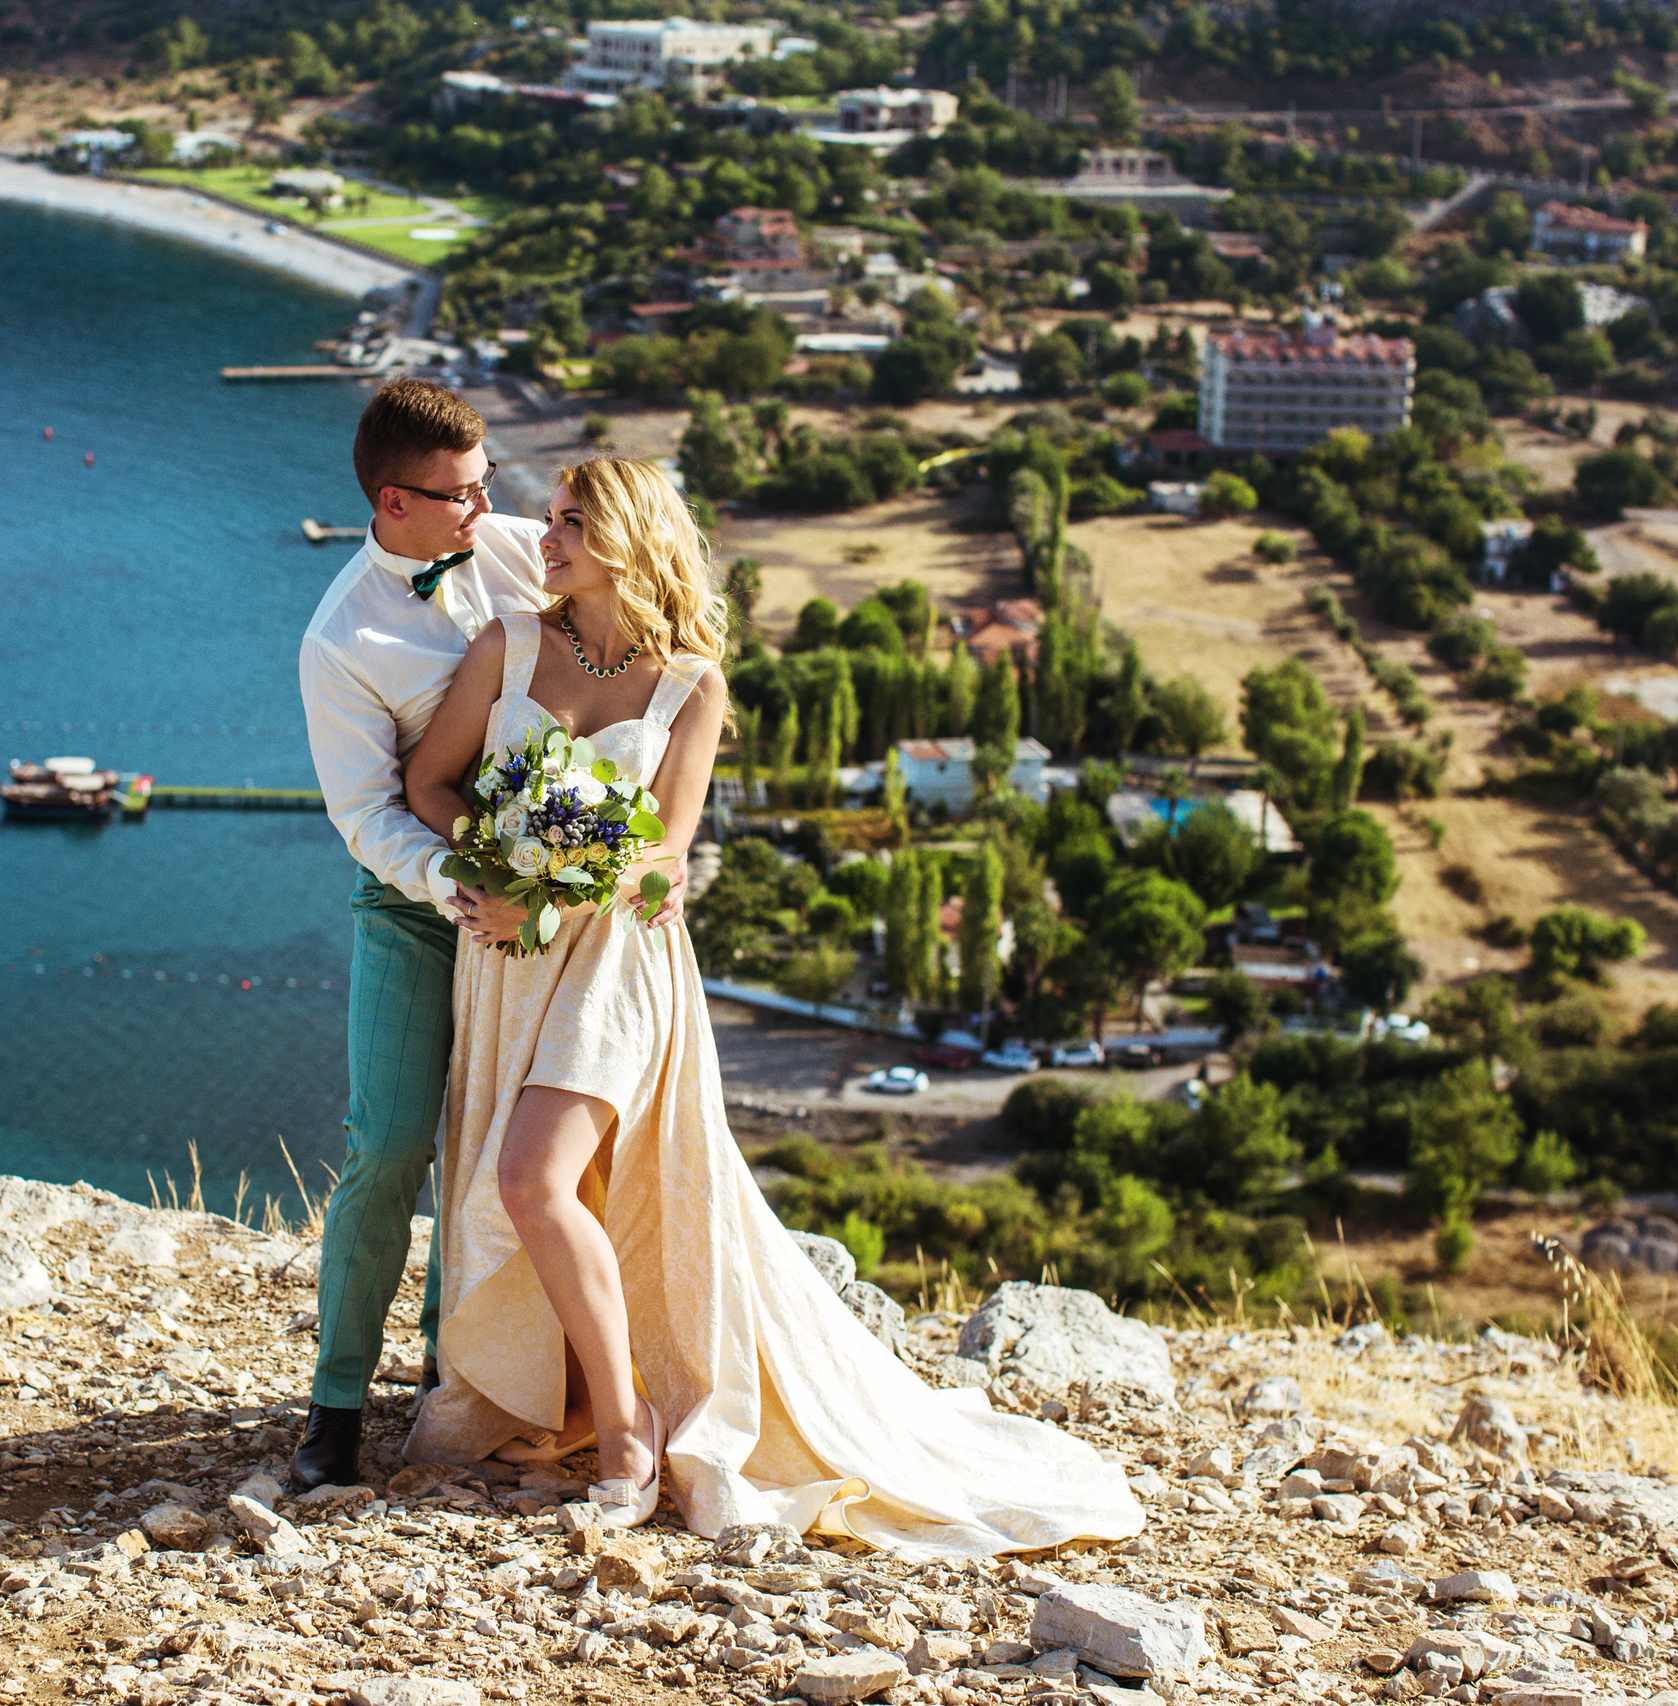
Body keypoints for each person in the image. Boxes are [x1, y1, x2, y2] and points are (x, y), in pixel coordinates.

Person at [397, 457, 1145, 1555]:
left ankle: (627, 1435)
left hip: (619, 963)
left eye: (566, 519)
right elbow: (429, 783)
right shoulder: (506, 645)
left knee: (532, 1177)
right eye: (548, 516)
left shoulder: (692, 683)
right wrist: (496, 871)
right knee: (552, 1189)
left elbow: (665, 852)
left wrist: (586, 871)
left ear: (627, 533)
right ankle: (577, 1398)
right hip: (512, 952)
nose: (541, 536)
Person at [292, 381, 686, 1490]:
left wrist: (636, 857)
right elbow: (368, 811)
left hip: (555, 921)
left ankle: (447, 1385)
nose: (492, 511)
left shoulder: (524, 547)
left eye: (490, 483)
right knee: (390, 1146)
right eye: (464, 494)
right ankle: (332, 1405)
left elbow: (642, 642)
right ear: (393, 499)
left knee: (483, 1159)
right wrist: (467, 884)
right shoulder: (340, 638)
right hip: (423, 905)